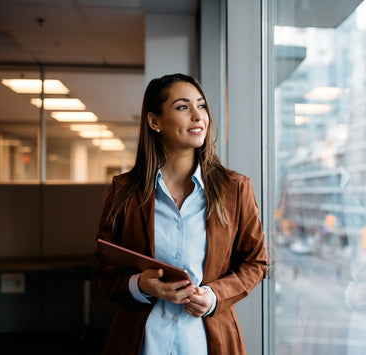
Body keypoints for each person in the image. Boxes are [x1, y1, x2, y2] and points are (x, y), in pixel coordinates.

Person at [93, 73, 268, 354]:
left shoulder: (235, 188)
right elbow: (102, 272)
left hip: (209, 343)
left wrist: (213, 296)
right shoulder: (124, 191)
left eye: (202, 106)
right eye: (183, 107)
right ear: (154, 121)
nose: (198, 116)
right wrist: (141, 285)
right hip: (142, 342)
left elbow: (256, 263)